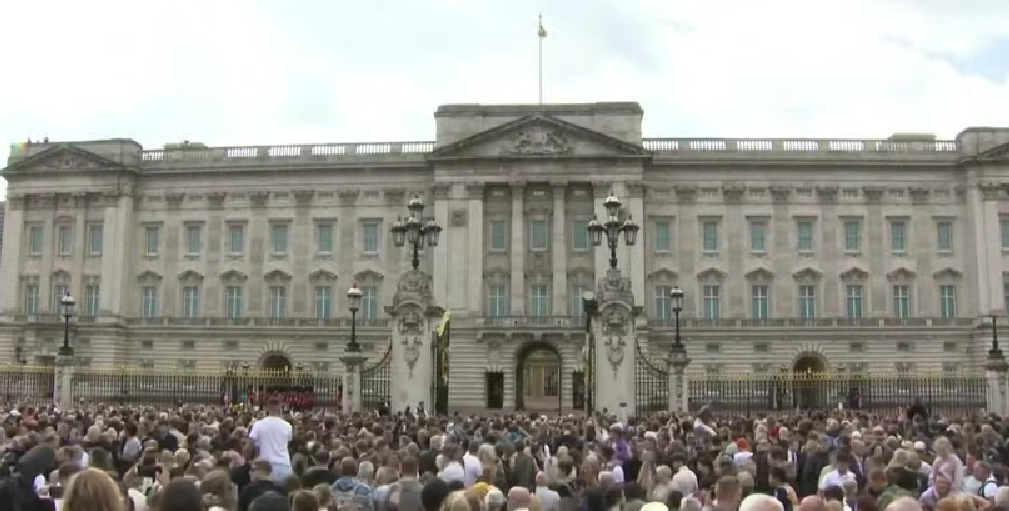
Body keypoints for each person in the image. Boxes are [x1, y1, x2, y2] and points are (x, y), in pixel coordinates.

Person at [248, 396, 293, 483]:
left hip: (264, 466)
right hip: (283, 465)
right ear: (280, 407)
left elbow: (250, 445)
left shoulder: (258, 425)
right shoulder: (288, 426)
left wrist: (248, 461)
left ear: (266, 408)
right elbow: (288, 444)